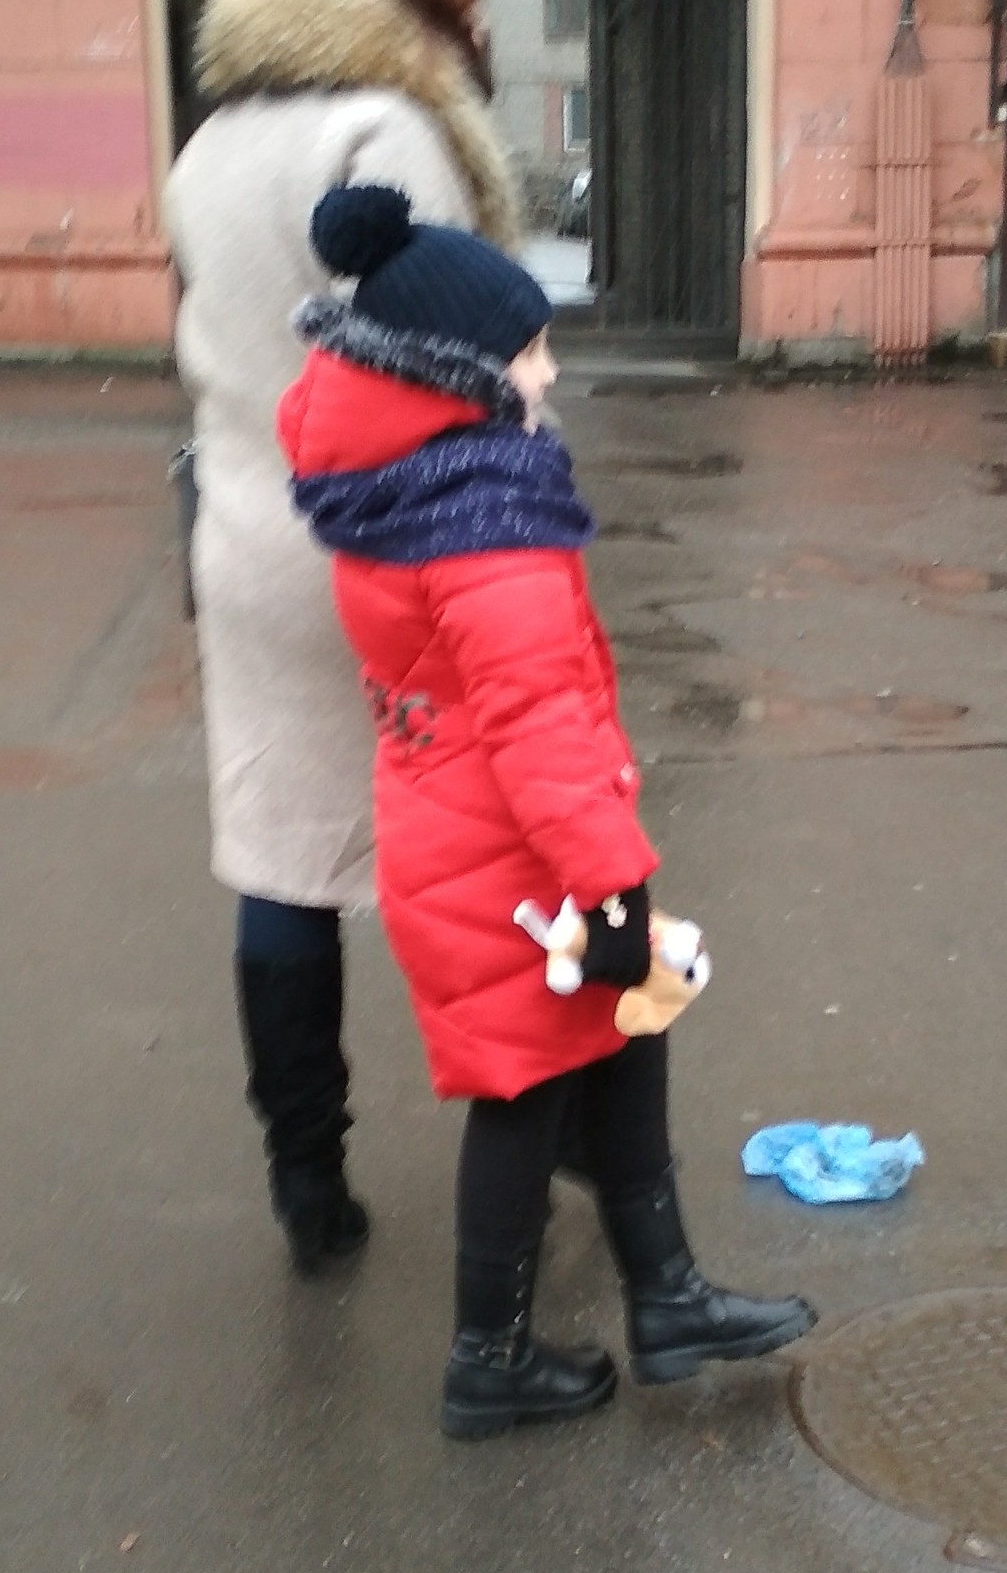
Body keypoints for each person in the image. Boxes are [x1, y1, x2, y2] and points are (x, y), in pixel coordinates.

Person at [277, 184, 816, 1438]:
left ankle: (667, 1295)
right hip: (511, 862)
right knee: (523, 1092)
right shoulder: (487, 521)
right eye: (530, 349)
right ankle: (490, 1357)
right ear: (464, 375)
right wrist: (611, 885)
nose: (551, 366)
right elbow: (538, 729)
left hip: (458, 841)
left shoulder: (403, 489)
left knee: (629, 1026)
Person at [163, 0, 521, 1276]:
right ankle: (524, 1132)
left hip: (248, 540)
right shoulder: (386, 133)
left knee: (281, 855)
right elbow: (444, 367)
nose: (477, 19)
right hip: (396, 546)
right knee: (485, 845)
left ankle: (306, 1180)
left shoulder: (210, 145)